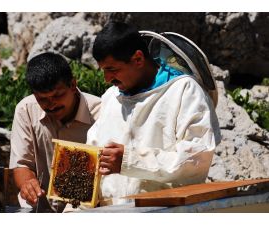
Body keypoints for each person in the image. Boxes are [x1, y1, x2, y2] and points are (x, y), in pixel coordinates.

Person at [87, 21, 221, 205]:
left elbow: (195, 159)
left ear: (138, 59)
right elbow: (91, 154)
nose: (107, 78)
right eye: (103, 70)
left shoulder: (184, 91)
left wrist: (129, 161)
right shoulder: (110, 97)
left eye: (112, 69)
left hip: (166, 211)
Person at [9, 52, 100, 209]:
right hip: (40, 208)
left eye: (57, 95)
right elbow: (21, 165)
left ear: (72, 85)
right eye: (42, 99)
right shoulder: (26, 110)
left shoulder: (100, 112)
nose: (51, 104)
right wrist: (28, 184)